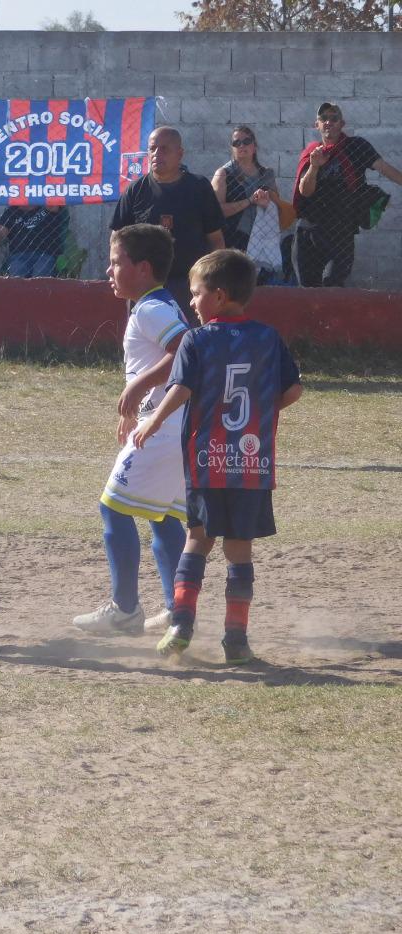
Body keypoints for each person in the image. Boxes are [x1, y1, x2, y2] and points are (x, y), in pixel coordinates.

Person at [132, 249, 303, 665]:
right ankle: (236, 640)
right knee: (239, 550)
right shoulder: (267, 336)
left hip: (208, 459)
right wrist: (263, 409)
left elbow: (182, 389)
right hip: (251, 463)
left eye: (195, 293)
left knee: (196, 541)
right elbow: (294, 389)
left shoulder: (197, 339)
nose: (191, 302)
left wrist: (152, 420)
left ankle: (181, 625)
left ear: (220, 296)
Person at [72, 225, 189, 638]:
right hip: (172, 423)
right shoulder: (156, 303)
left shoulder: (150, 310)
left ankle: (124, 611)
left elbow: (183, 350)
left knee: (113, 507)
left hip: (161, 427)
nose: (109, 269)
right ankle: (179, 611)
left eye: (117, 261)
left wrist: (137, 387)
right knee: (163, 516)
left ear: (142, 268)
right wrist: (136, 406)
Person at [110, 126, 226, 314]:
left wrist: (213, 278)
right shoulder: (136, 190)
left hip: (189, 285)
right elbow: (117, 238)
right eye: (152, 148)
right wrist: (119, 274)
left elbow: (216, 239)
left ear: (179, 154)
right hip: (144, 286)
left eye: (164, 149)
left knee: (188, 340)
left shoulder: (199, 188)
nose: (157, 154)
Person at [294, 102, 402, 287]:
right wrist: (314, 166)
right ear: (317, 124)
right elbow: (305, 191)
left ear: (342, 124)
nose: (329, 122)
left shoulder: (356, 146)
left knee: (333, 286)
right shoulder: (312, 152)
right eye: (324, 118)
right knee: (307, 292)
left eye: (334, 118)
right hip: (309, 231)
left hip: (340, 233)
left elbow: (384, 169)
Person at [211, 126, 280, 254]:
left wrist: (267, 202)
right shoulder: (223, 174)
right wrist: (249, 201)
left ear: (254, 146)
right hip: (232, 238)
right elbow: (216, 211)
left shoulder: (266, 174)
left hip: (262, 236)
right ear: (232, 149)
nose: (242, 145)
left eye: (246, 141)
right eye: (237, 143)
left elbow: (277, 205)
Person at [0, 205, 69, 278]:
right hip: (19, 255)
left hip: (45, 254)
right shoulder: (12, 211)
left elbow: (54, 202)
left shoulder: (48, 206)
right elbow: (0, 232)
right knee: (17, 275)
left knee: (40, 276)